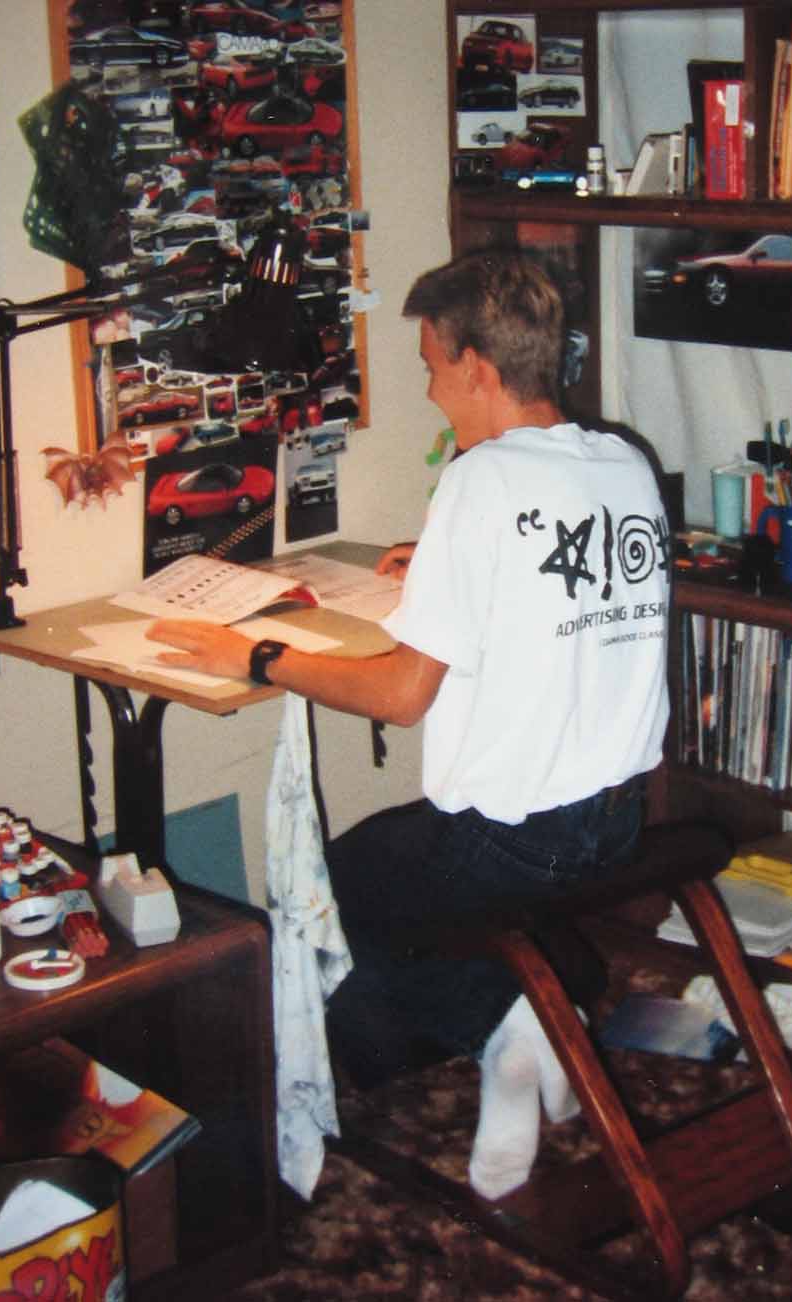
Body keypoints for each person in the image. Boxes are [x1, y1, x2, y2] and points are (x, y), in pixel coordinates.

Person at [147, 248, 671, 1196]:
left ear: (475, 364)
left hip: (517, 847)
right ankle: (515, 1027)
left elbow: (399, 695)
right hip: (618, 821)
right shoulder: (618, 460)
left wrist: (260, 657)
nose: (432, 393)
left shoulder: (481, 480)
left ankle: (503, 1025)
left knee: (322, 896)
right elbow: (552, 569)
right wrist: (436, 561)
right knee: (381, 877)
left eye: (433, 368)